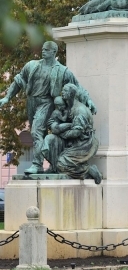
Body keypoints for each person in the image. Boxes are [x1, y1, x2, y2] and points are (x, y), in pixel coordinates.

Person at [0, 41, 96, 174]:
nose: (43, 51)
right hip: (31, 102)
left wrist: (88, 100)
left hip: (47, 103)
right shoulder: (32, 65)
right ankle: (54, 165)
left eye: (46, 50)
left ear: (54, 52)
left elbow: (77, 87)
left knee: (36, 132)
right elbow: (18, 80)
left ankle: (37, 164)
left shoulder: (62, 70)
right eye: (43, 49)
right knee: (40, 135)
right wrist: (7, 97)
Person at [41, 85, 102, 183]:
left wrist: (61, 133)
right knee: (49, 140)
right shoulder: (66, 105)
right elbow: (54, 120)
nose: (62, 92)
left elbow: (76, 132)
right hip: (70, 141)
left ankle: (89, 171)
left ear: (71, 94)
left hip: (84, 143)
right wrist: (54, 125)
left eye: (65, 90)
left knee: (61, 164)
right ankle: (54, 167)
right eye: (63, 90)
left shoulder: (79, 110)